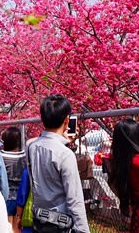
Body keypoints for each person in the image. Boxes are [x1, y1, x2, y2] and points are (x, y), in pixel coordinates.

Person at [27, 94, 89, 233]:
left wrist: (64, 141)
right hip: (61, 223)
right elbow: (75, 198)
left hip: (40, 219)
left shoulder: (32, 147)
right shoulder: (65, 154)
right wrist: (83, 230)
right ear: (67, 120)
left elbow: (39, 142)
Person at [1, 127, 26, 228]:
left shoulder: (1, 155)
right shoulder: (24, 156)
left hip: (6, 197)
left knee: (7, 227)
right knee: (17, 228)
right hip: (20, 197)